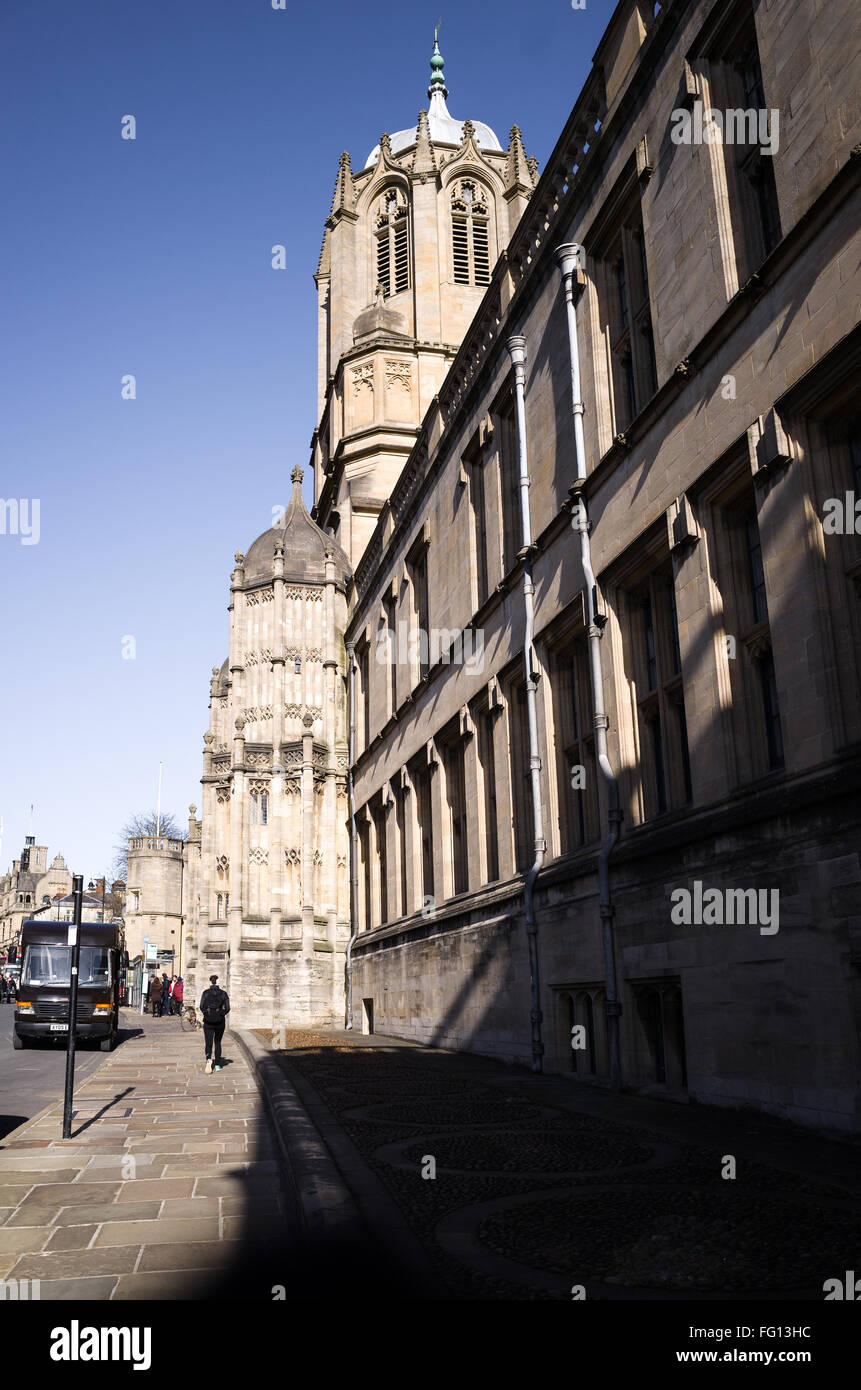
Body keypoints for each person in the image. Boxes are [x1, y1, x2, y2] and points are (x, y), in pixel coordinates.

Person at [199, 974, 230, 1073]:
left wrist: (206, 1013)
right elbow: (228, 1008)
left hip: (208, 1021)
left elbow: (201, 1006)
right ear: (217, 982)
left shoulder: (206, 993)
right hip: (220, 1021)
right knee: (217, 1042)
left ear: (210, 982)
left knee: (208, 1042)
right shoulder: (223, 993)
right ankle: (217, 1064)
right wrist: (221, 1014)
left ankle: (208, 1059)